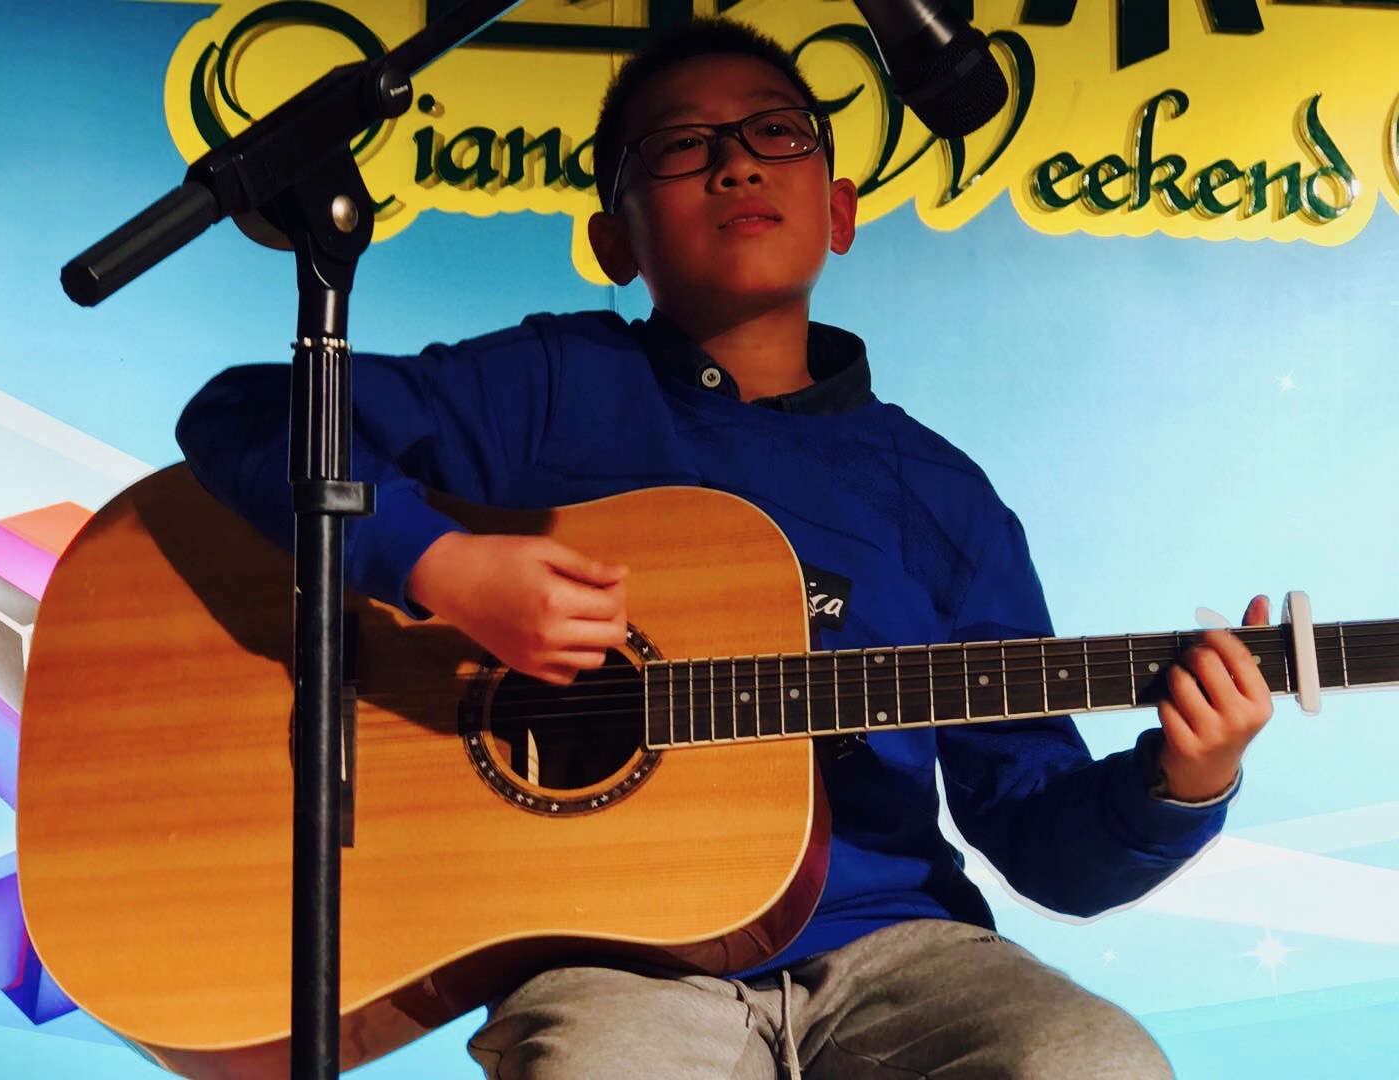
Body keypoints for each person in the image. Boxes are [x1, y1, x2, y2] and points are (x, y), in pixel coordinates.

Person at [177, 17, 1274, 1079]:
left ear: (839, 211)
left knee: (1096, 1064)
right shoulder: (554, 386)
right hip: (612, 958)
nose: (736, 163)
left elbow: (1041, 837)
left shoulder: (944, 499)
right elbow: (248, 415)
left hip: (898, 952)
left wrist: (1184, 781)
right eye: (679, 145)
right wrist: (441, 566)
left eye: (777, 132)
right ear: (612, 241)